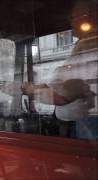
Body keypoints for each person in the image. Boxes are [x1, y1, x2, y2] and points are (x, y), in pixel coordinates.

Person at [20, 0, 97, 139]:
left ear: (90, 15)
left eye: (73, 16)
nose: (70, 21)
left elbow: (61, 96)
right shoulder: (83, 44)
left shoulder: (89, 44)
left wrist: (29, 89)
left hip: (90, 124)